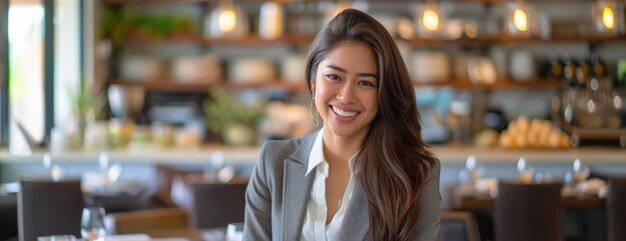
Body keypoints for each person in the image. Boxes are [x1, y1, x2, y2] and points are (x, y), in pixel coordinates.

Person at [244, 8, 440, 241]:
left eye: (365, 83)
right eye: (334, 77)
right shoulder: (273, 162)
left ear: (383, 93)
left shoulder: (415, 173)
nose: (347, 96)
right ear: (313, 80)